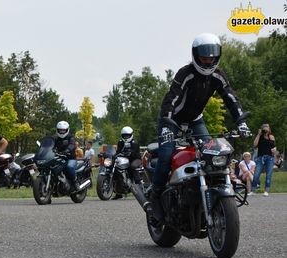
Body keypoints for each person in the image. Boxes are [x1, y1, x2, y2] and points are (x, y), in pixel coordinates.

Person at [149, 33, 250, 221]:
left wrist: (241, 121)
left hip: (196, 119)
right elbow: (171, 99)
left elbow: (230, 97)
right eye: (204, 57)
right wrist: (166, 123)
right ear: (195, 55)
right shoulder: (185, 73)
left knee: (212, 154)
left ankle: (207, 193)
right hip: (172, 120)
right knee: (166, 155)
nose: (208, 61)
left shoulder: (218, 75)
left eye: (212, 57)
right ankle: (156, 195)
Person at [112, 126, 143, 200]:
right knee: (117, 170)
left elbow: (134, 153)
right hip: (124, 159)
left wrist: (127, 154)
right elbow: (118, 151)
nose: (126, 137)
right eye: (124, 135)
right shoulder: (120, 142)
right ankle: (118, 193)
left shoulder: (134, 142)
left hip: (135, 159)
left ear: (131, 135)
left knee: (132, 166)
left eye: (127, 135)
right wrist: (113, 156)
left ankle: (139, 186)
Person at [52, 120, 79, 192]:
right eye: (60, 130)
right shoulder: (55, 137)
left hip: (70, 158)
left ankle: (75, 181)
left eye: (63, 130)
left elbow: (72, 144)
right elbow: (50, 143)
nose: (61, 132)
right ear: (57, 130)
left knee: (69, 167)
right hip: (59, 158)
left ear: (67, 130)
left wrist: (67, 150)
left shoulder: (70, 137)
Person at [251, 124, 276, 196]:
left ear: (269, 129)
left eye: (267, 128)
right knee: (256, 174)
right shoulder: (260, 137)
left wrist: (274, 150)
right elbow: (254, 145)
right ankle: (253, 190)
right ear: (262, 129)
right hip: (260, 157)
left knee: (268, 175)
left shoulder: (271, 136)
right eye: (264, 128)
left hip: (270, 158)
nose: (265, 129)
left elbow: (274, 147)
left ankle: (266, 191)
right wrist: (258, 135)